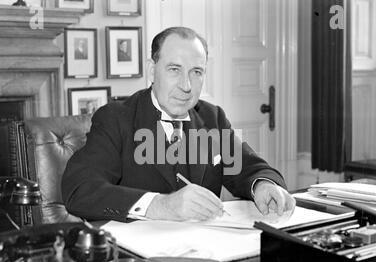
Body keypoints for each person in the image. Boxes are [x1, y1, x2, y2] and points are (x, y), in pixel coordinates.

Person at [62, 27, 296, 223]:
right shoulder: (115, 118)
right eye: (174, 70)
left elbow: (251, 169)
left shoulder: (212, 118)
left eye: (196, 72)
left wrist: (263, 185)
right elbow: (80, 191)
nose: (186, 85)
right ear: (152, 70)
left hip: (205, 253)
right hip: (139, 260)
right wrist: (161, 205)